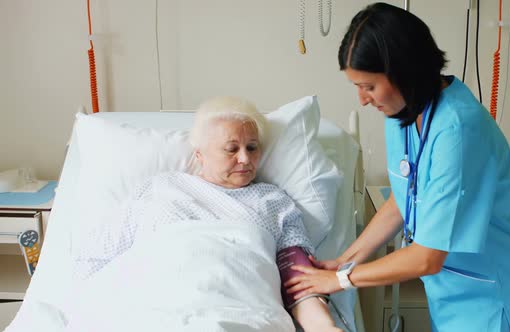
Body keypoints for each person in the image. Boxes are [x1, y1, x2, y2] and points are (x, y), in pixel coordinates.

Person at [285, 3, 510, 332]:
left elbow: (426, 258)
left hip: (489, 293)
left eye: (369, 86)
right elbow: (404, 199)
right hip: (450, 289)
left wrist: (340, 279)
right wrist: (345, 260)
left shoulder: (458, 130)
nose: (363, 100)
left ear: (403, 72)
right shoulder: (402, 113)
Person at [70, 97, 342, 332]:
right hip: (156, 311)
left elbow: (299, 278)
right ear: (199, 154)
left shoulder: (273, 201)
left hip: (242, 313)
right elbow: (96, 258)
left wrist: (324, 327)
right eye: (231, 149)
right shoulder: (161, 189)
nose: (245, 159)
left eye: (252, 147)